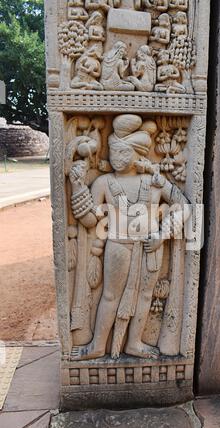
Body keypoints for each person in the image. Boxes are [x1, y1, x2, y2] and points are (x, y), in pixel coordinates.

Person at [69, 114, 189, 360]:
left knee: (145, 295)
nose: (117, 159)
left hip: (151, 246)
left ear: (138, 155)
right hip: (118, 246)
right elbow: (91, 221)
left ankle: (134, 342)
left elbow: (184, 206)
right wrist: (78, 187)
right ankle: (98, 345)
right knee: (110, 296)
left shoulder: (153, 181)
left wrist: (162, 235)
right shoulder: (104, 182)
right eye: (114, 152)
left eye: (124, 153)